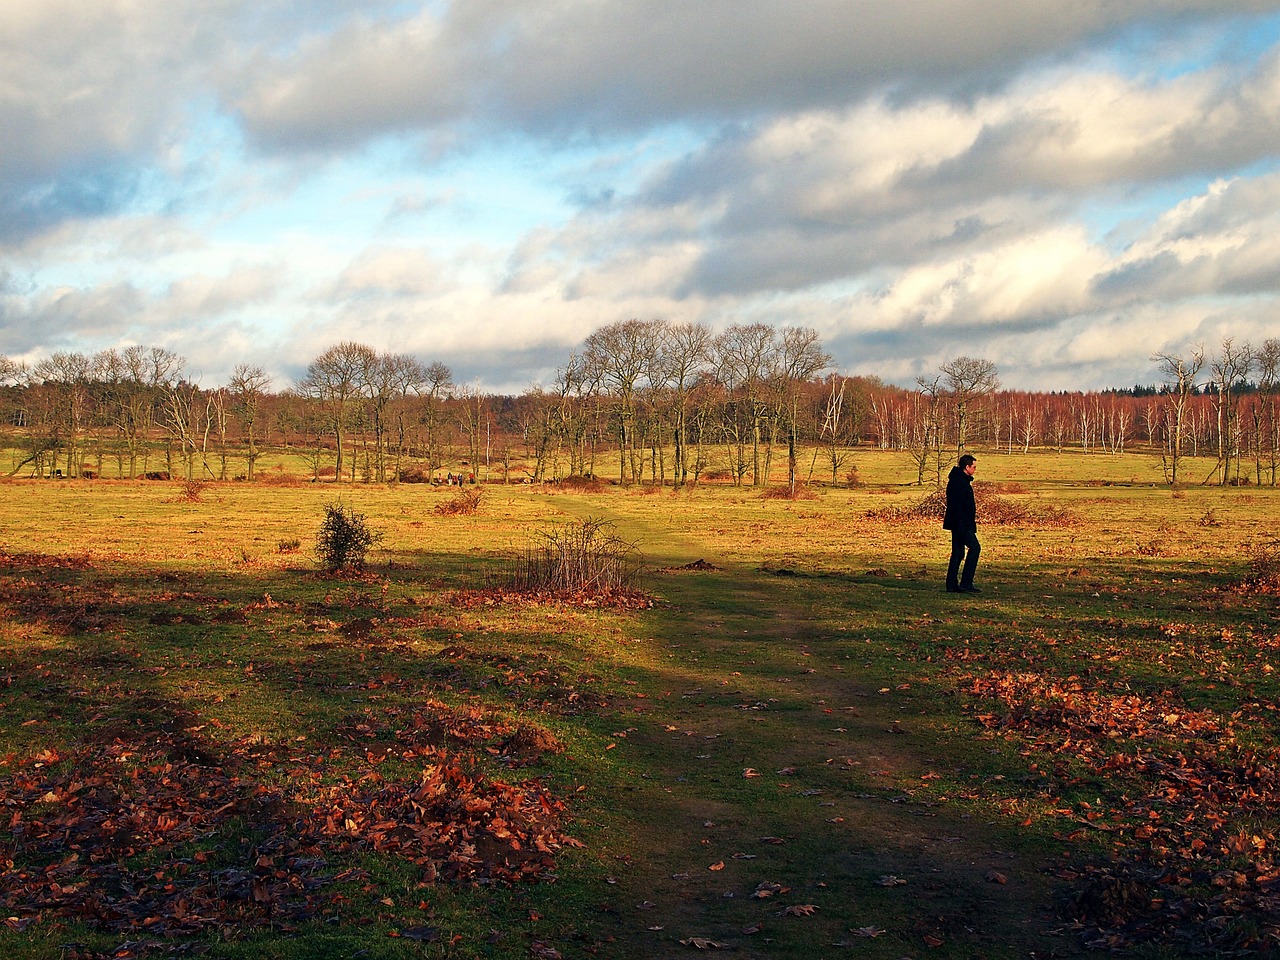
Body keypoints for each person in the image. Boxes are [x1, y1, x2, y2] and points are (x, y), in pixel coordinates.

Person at [942, 453, 980, 593]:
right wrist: (963, 523)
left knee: (958, 552)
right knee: (975, 548)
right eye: (974, 467)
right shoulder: (959, 482)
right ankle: (966, 582)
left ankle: (952, 584)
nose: (975, 470)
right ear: (967, 467)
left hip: (958, 522)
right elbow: (958, 505)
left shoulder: (959, 480)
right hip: (961, 523)